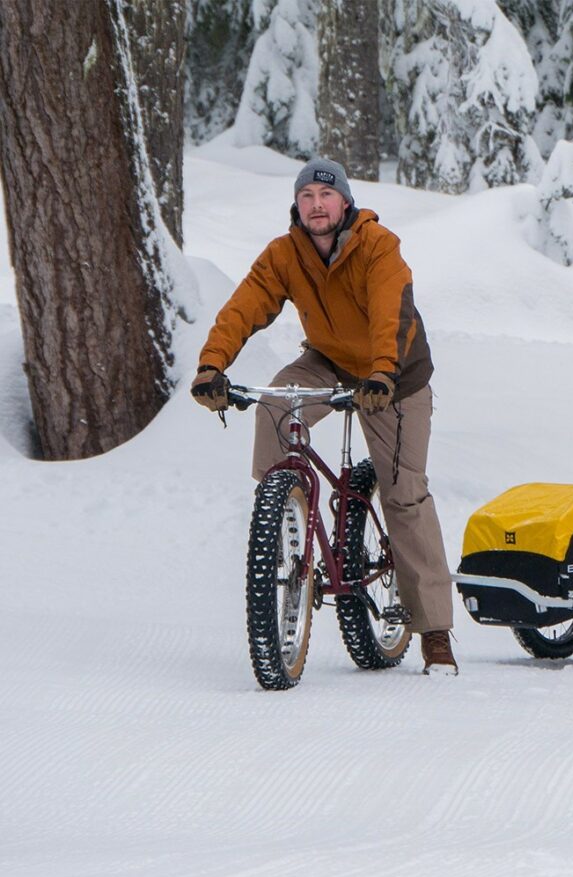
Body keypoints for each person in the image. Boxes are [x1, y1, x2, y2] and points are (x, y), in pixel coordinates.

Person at [191, 157, 457, 675]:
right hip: (330, 361)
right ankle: (288, 511)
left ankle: (435, 633)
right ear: (298, 205)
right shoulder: (285, 253)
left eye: (326, 195)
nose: (317, 204)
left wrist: (381, 373)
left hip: (395, 377)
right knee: (273, 407)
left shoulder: (378, 246)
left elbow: (388, 312)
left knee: (403, 495)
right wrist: (211, 366)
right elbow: (243, 307)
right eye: (307, 195)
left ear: (345, 203)